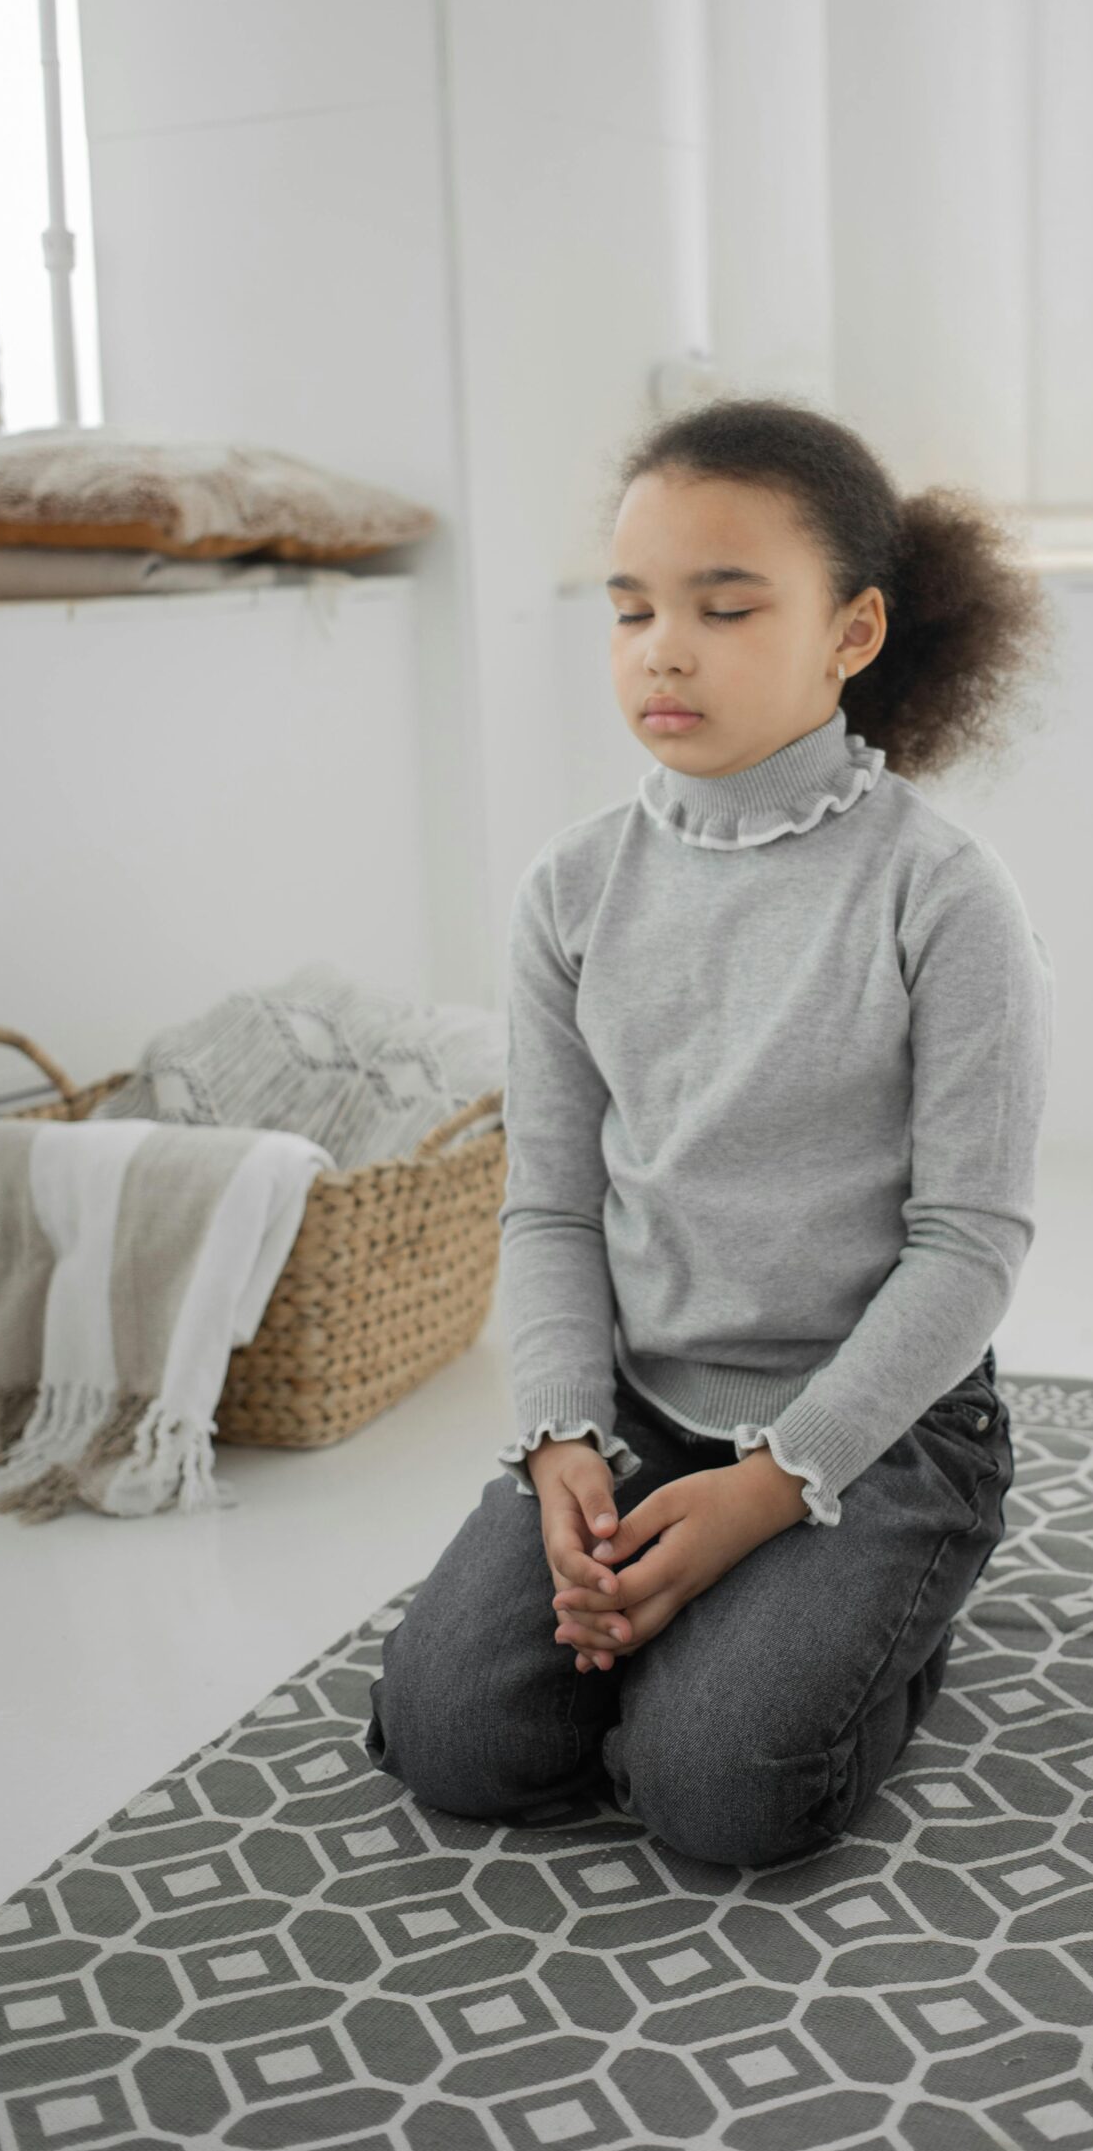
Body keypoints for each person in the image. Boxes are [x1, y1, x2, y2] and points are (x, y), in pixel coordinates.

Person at [364, 394, 1057, 1868]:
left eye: (725, 608)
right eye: (632, 610)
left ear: (852, 633)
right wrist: (563, 1437)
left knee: (720, 1791)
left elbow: (969, 1248)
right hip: (643, 1411)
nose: (663, 650)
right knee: (454, 1741)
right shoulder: (570, 891)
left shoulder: (944, 896)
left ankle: (887, 1606)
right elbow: (552, 1207)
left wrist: (772, 1491)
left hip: (879, 1428)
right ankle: (726, 1621)